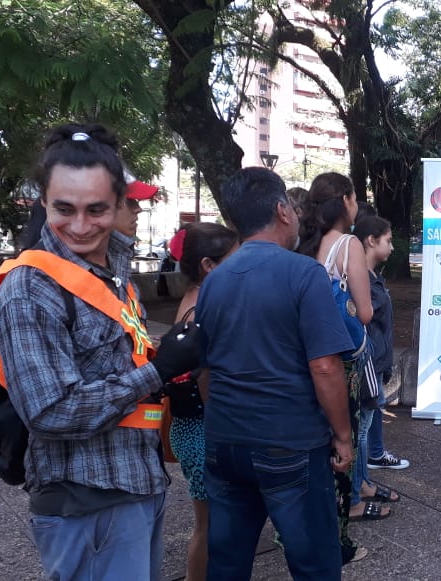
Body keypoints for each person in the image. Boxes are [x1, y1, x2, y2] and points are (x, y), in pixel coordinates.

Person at [0, 123, 200, 580]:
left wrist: (173, 353)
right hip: (87, 497)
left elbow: (113, 361)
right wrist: (158, 372)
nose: (80, 226)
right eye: (63, 209)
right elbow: (49, 411)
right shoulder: (31, 288)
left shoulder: (112, 273)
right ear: (43, 201)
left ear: (118, 203)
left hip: (135, 483)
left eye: (97, 209)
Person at [195, 167, 354, 579]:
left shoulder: (214, 282)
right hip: (290, 442)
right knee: (315, 562)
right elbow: (325, 365)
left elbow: (205, 370)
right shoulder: (304, 274)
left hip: (225, 440)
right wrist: (342, 436)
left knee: (227, 561)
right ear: (283, 211)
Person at [297, 172, 385, 564]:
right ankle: (338, 542)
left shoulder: (303, 244)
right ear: (347, 200)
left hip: (306, 355)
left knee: (314, 447)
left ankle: (306, 529)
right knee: (343, 442)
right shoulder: (348, 244)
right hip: (343, 359)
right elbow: (364, 313)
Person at [166, 222, 239, 581]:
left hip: (191, 427)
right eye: (233, 258)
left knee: (209, 525)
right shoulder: (202, 310)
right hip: (203, 429)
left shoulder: (194, 298)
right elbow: (208, 379)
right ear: (209, 265)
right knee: (208, 528)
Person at [355, 216, 410, 480]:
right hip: (369, 364)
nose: (392, 247)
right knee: (361, 430)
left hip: (376, 363)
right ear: (371, 240)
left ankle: (362, 486)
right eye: (388, 241)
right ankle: (359, 490)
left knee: (365, 427)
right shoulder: (361, 280)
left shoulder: (372, 278)